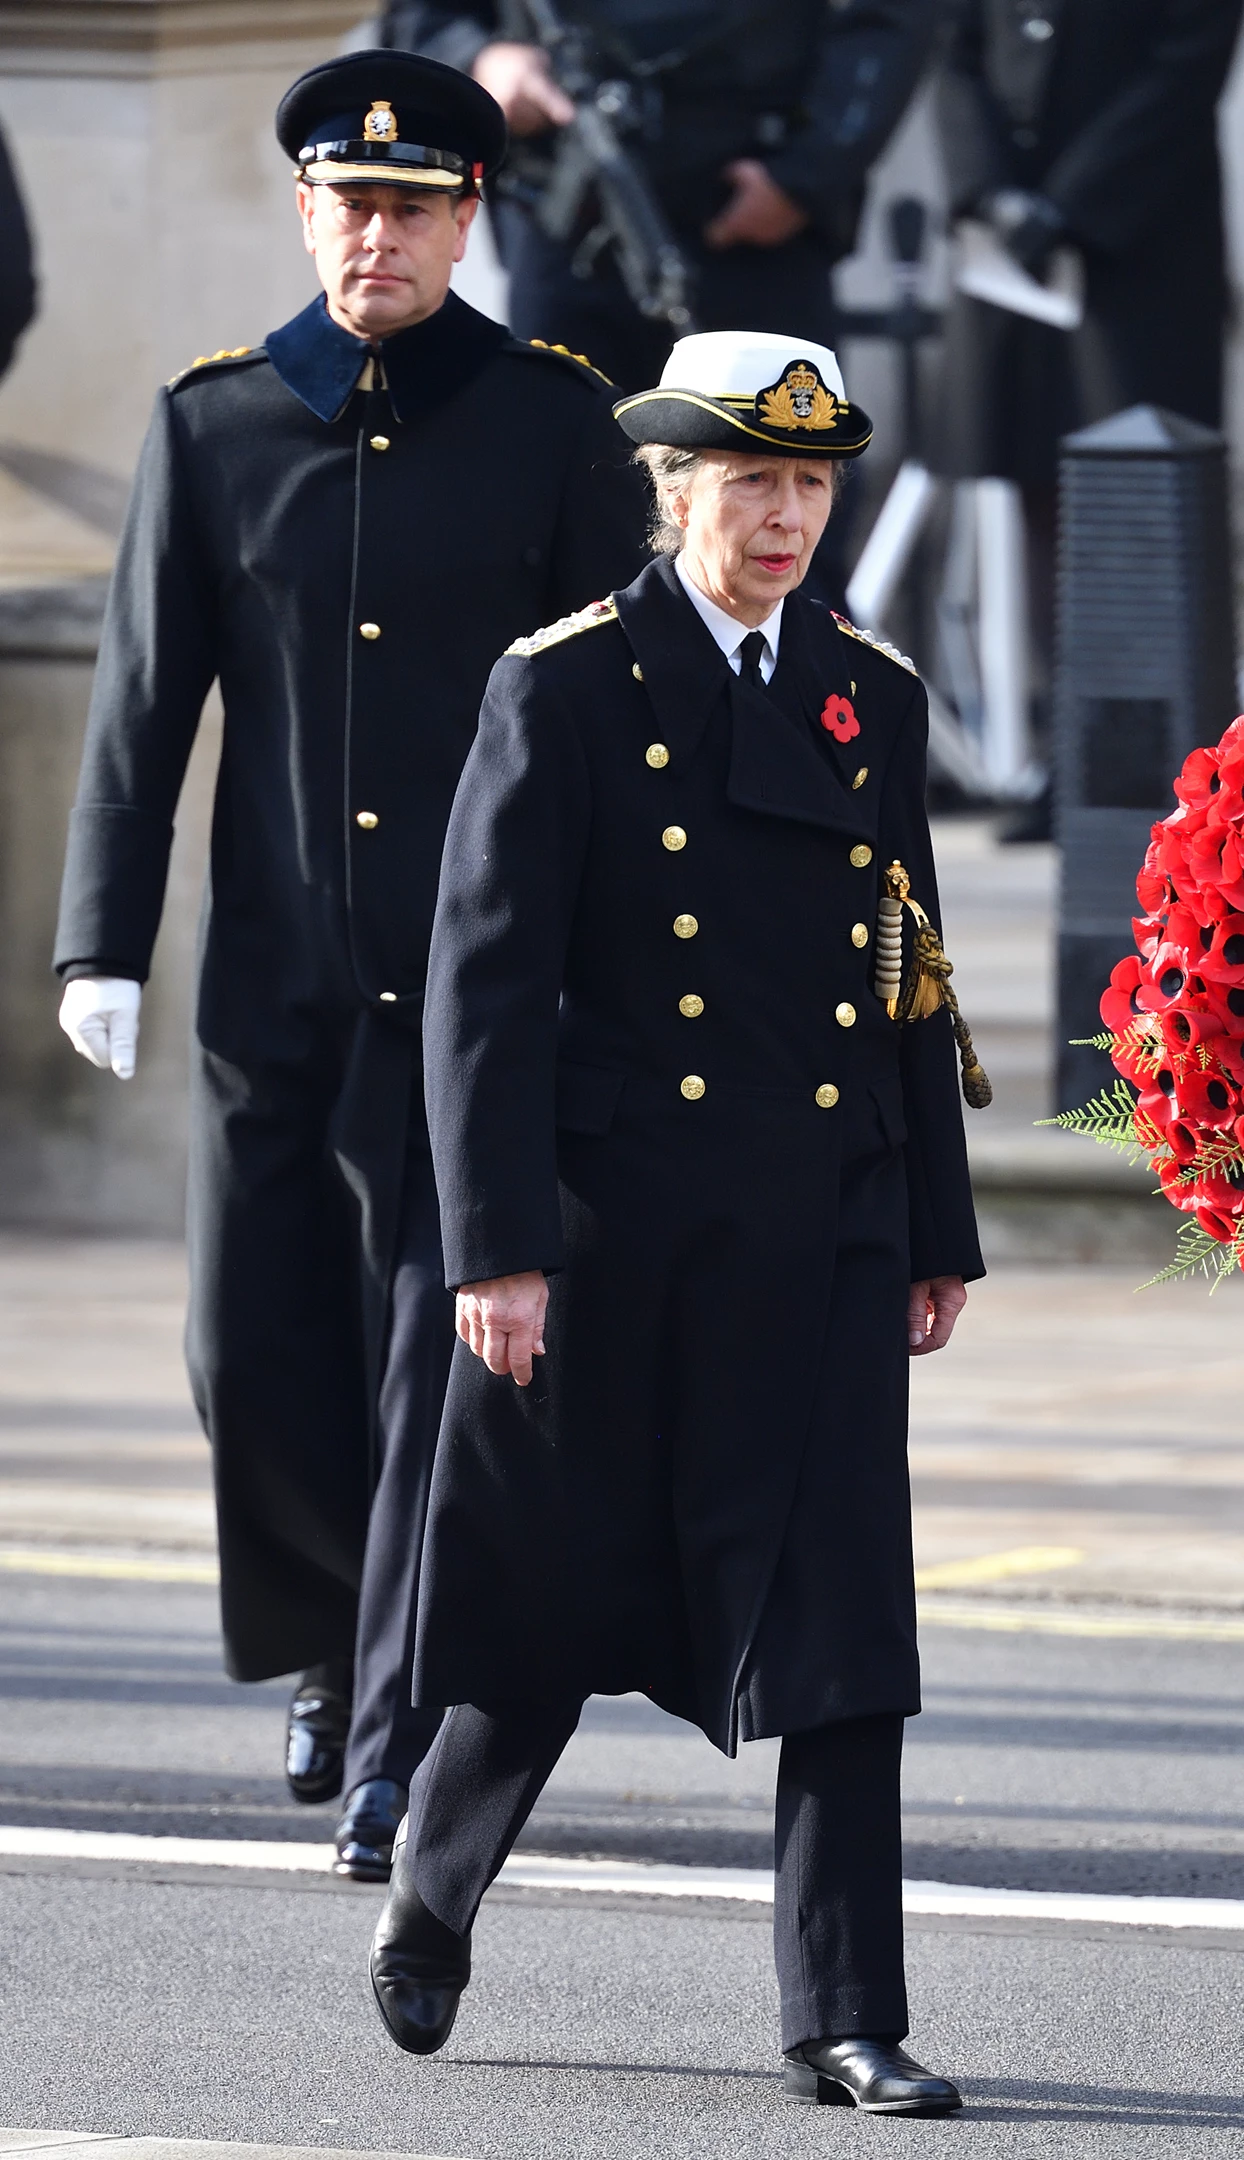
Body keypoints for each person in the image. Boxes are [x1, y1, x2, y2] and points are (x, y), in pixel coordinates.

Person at [369, 330, 984, 2113]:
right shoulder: (557, 687)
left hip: (818, 1225)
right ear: (673, 492)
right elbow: (481, 992)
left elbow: (907, 974)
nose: (784, 517)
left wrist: (934, 1225)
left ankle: (840, 2014)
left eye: (807, 486)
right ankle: (433, 1879)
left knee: (843, 1635)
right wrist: (491, 1246)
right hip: (608, 1225)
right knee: (547, 1608)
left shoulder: (868, 691)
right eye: (749, 484)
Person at [53, 49, 647, 1881]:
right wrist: (103, 932)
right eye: (343, 200)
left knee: (427, 1367)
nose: (371, 232)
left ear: (468, 220)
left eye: (409, 205)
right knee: (256, 1353)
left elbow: (619, 715)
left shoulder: (555, 423)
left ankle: (386, 1735)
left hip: (477, 1002)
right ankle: (321, 1642)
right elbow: (142, 706)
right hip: (274, 991)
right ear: (304, 209)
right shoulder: (214, 424)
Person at [380, 1, 943, 393]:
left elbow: (890, 18)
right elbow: (423, 20)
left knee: (770, 498)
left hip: (753, 222)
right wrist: (480, 62)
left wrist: (809, 170)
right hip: (567, 219)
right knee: (563, 491)